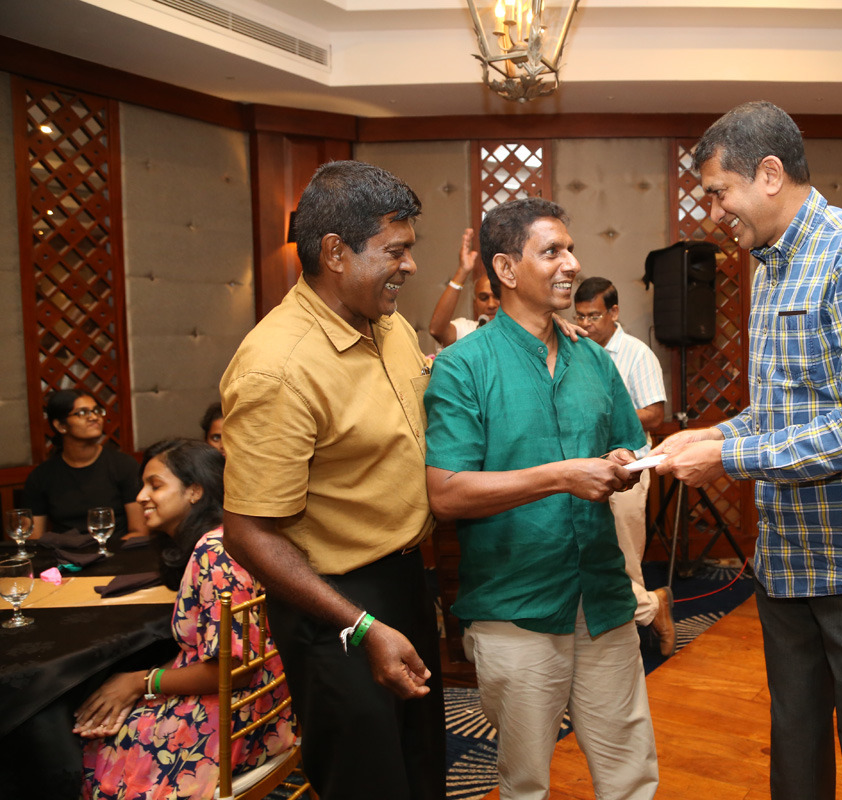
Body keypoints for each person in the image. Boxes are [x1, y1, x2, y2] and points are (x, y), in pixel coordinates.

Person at [653, 101, 842, 800]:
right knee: (796, 755)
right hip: (789, 562)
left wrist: (728, 460)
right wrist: (717, 435)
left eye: (719, 192)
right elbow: (782, 412)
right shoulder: (767, 270)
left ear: (769, 173)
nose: (714, 213)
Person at [219, 160, 444, 800]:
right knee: (368, 782)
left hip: (404, 580)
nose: (410, 266)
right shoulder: (278, 368)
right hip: (335, 607)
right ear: (336, 253)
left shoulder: (384, 322)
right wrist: (362, 626)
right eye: (394, 251)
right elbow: (247, 533)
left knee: (422, 768)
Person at [425, 198, 659, 800]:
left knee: (631, 771)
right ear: (506, 269)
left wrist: (622, 463)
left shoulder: (594, 359)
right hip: (516, 606)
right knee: (525, 779)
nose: (572, 264)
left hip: (603, 597)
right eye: (552, 251)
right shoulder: (463, 366)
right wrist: (561, 476)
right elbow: (445, 493)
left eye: (570, 250)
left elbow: (626, 444)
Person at [75, 439, 297, 799]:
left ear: (195, 491)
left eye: (155, 485)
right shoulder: (230, 536)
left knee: (89, 743)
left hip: (236, 722)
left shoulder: (215, 551)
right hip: (263, 710)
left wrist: (140, 682)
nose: (142, 497)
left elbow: (234, 669)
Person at [573, 276, 676, 656]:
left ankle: (633, 640)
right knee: (592, 558)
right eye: (580, 316)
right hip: (584, 470)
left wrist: (604, 418)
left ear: (614, 312)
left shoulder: (636, 354)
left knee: (626, 561)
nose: (586, 324)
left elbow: (655, 414)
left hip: (628, 472)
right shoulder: (575, 350)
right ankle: (651, 607)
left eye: (594, 316)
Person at [23, 389, 148, 542]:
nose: (94, 417)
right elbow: (33, 539)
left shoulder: (124, 466)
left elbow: (140, 532)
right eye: (82, 413)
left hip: (117, 550)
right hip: (65, 552)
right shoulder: (41, 476)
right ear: (61, 426)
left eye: (96, 411)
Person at [428, 227, 500, 349]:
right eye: (484, 298)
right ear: (475, 304)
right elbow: (437, 330)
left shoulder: (520, 332)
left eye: (497, 296)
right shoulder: (466, 330)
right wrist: (463, 270)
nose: (491, 304)